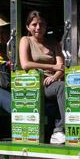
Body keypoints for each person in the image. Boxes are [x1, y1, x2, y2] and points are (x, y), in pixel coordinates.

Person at [19, 10, 67, 145]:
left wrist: (55, 76)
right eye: (34, 24)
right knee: (61, 87)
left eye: (42, 24)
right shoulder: (25, 40)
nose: (38, 27)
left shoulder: (53, 43)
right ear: (28, 27)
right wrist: (52, 68)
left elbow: (61, 66)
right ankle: (61, 129)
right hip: (36, 84)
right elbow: (25, 64)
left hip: (51, 81)